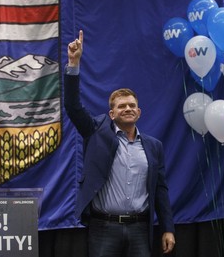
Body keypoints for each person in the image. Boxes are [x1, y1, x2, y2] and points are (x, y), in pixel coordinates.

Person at [64, 30, 175, 257]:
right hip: (104, 228)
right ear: (112, 114)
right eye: (121, 106)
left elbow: (160, 191)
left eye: (132, 105)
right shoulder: (96, 132)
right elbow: (73, 106)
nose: (127, 108)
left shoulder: (153, 147)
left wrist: (168, 228)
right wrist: (74, 63)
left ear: (139, 112)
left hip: (139, 229)